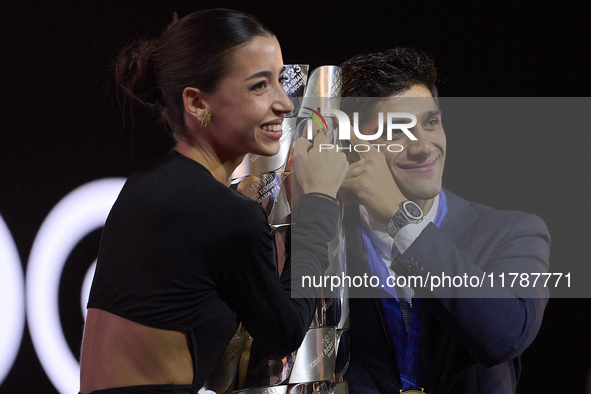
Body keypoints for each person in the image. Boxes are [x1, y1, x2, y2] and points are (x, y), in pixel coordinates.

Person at [79, 9, 348, 394]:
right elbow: (285, 331)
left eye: (279, 81)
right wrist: (317, 203)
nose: (285, 104)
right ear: (197, 103)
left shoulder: (142, 188)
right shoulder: (225, 214)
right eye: (259, 87)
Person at [337, 48, 550, 393]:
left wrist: (400, 218)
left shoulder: (513, 232)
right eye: (397, 131)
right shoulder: (330, 240)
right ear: (353, 145)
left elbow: (503, 336)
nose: (423, 146)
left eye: (431, 123)